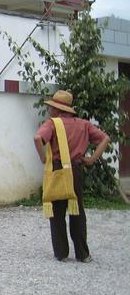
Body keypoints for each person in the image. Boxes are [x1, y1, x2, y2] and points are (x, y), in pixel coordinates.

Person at [33, 90, 110, 263]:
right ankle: (83, 254)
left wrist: (43, 158)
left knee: (57, 211)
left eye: (51, 107)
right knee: (76, 211)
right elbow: (105, 138)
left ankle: (61, 252)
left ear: (58, 110)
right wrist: (91, 159)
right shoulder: (83, 124)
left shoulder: (52, 124)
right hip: (75, 170)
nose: (49, 110)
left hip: (58, 170)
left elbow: (38, 138)